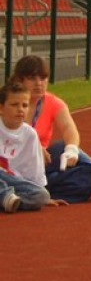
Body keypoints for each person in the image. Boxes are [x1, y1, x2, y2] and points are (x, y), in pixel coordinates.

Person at [10, 55, 91, 203]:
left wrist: (71, 149)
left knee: (63, 147)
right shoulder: (7, 102)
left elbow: (68, 128)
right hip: (12, 161)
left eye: (43, 78)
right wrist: (33, 147)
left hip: (41, 163)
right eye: (32, 78)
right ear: (20, 80)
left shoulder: (53, 102)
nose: (39, 83)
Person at [0, 82, 66, 213]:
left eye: (25, 105)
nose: (20, 109)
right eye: (14, 105)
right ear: (1, 108)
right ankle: (5, 197)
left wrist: (43, 196)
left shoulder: (30, 134)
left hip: (15, 182)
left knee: (42, 195)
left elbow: (34, 168)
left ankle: (7, 199)